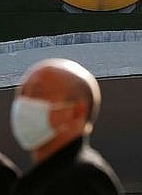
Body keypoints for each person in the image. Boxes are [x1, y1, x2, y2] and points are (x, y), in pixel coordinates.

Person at [10, 58, 124, 195]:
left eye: (37, 92)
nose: (24, 103)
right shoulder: (48, 177)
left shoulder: (82, 181)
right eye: (21, 93)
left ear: (77, 112)